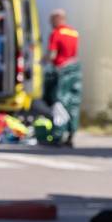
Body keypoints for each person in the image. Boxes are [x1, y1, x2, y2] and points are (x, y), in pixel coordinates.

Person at [37, 8, 82, 145]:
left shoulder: (56, 33)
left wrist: (41, 61)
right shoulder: (74, 32)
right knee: (73, 103)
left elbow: (52, 55)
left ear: (57, 19)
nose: (50, 23)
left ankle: (57, 135)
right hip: (75, 71)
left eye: (51, 20)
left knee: (59, 103)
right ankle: (71, 134)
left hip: (62, 72)